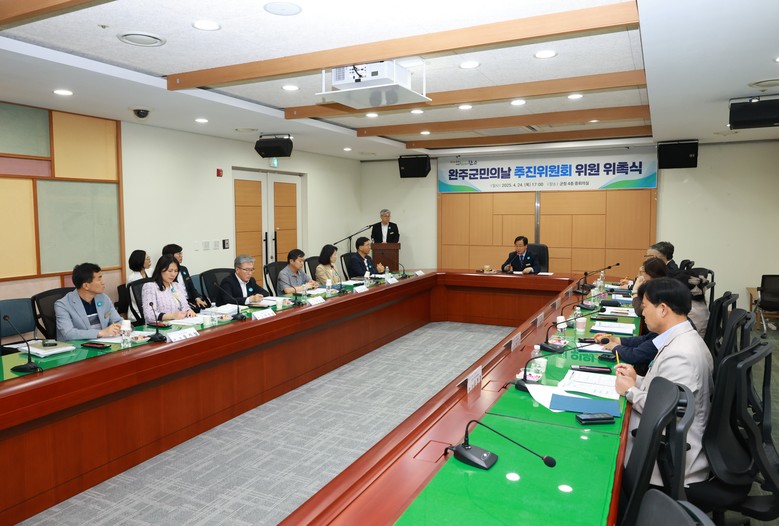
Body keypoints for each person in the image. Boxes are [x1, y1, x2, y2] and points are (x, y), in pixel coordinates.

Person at [614, 277, 713, 487]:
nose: (642, 313)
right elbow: (664, 387)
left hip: (671, 460)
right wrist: (636, 379)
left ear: (662, 309)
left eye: (645, 307)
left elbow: (666, 411)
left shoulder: (681, 354)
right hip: (663, 438)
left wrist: (630, 391)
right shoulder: (681, 338)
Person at [54, 263, 124, 341]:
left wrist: (119, 327)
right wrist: (100, 333)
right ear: (86, 286)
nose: (103, 282)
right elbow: (68, 333)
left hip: (103, 343)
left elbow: (118, 321)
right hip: (77, 346)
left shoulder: (103, 298)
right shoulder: (62, 305)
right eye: (99, 279)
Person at [142, 255, 197, 322]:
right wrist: (172, 316)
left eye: (176, 271)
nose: (173, 274)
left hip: (181, 323)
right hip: (161, 326)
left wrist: (189, 310)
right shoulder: (150, 287)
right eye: (170, 271)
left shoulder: (176, 285)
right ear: (160, 270)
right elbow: (149, 315)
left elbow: (185, 306)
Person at [161, 243, 209, 310]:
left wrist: (197, 298)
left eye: (181, 253)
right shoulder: (164, 273)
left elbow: (191, 287)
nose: (181, 256)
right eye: (178, 254)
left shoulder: (183, 269)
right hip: (176, 303)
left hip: (188, 300)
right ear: (170, 256)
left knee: (205, 306)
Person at [127, 249, 152, 323]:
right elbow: (137, 299)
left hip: (149, 308)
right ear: (140, 261)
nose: (149, 260)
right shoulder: (132, 278)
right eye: (147, 258)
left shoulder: (150, 271)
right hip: (138, 312)